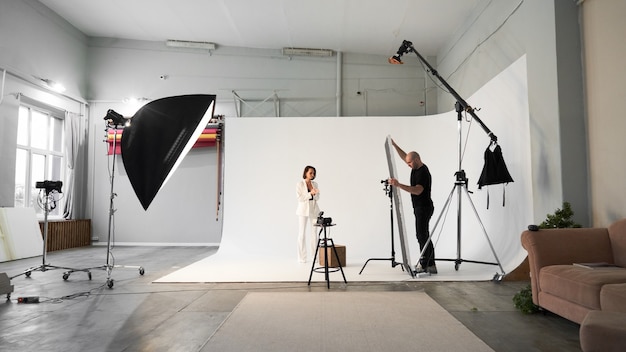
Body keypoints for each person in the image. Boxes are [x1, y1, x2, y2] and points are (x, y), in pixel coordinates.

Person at [388, 139, 437, 274]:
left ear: (417, 159)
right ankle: (430, 265)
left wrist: (398, 185)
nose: (408, 164)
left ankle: (425, 264)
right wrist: (394, 145)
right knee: (423, 235)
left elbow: (418, 190)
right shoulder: (415, 165)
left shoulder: (422, 172)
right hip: (420, 207)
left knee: (421, 235)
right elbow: (405, 156)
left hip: (424, 207)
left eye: (410, 162)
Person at [296, 165, 320, 263]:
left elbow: (317, 197)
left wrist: (314, 194)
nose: (312, 174)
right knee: (302, 234)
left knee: (314, 234)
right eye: (310, 172)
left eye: (313, 173)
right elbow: (300, 198)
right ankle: (302, 258)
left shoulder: (315, 184)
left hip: (314, 210)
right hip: (303, 211)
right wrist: (311, 194)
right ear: (305, 173)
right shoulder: (299, 184)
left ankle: (315, 257)